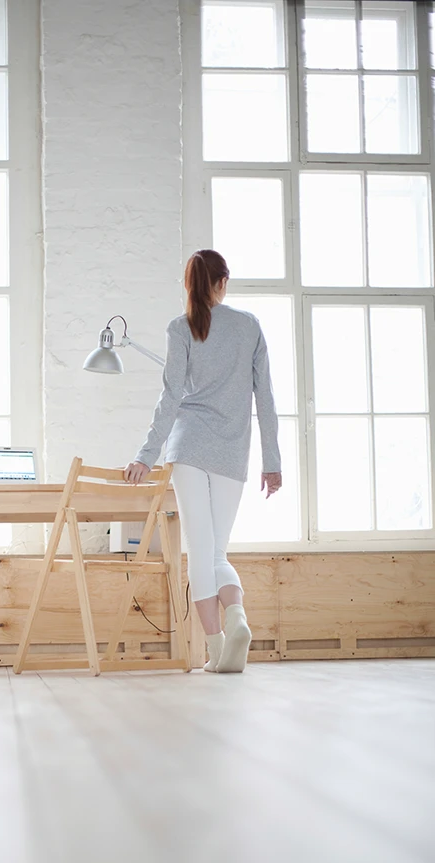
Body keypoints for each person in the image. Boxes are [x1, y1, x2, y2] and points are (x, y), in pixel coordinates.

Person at [124, 249, 282, 674]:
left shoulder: (180, 328)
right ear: (222, 282)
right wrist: (273, 461)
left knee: (200, 551)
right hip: (233, 450)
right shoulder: (249, 326)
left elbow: (170, 398)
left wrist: (145, 456)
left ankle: (216, 650)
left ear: (189, 285)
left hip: (189, 448)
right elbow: (264, 397)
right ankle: (238, 619)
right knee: (217, 551)